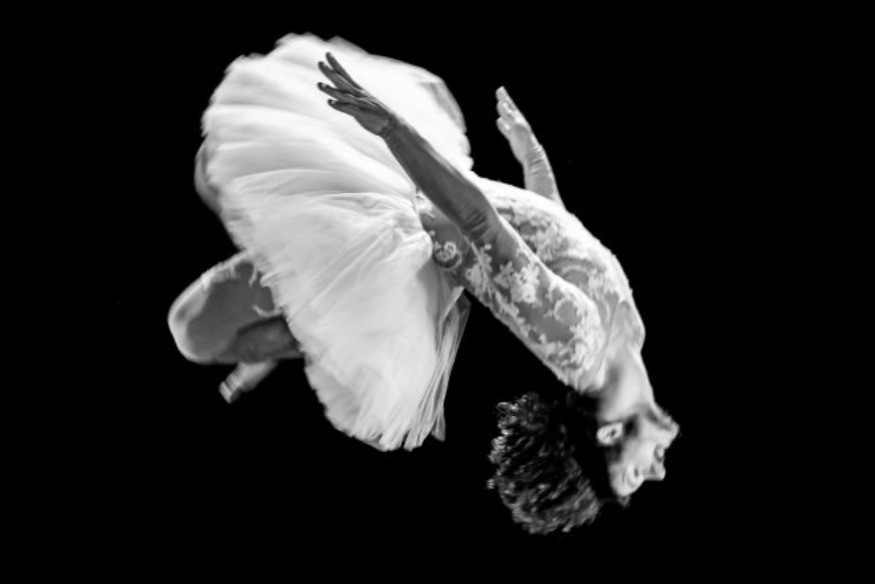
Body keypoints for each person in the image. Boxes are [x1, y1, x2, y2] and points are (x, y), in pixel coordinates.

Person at [168, 34, 680, 533]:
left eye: (637, 473)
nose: (658, 470)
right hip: (411, 201)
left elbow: (483, 227)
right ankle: (305, 327)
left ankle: (302, 327)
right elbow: (561, 242)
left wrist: (390, 127)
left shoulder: (577, 344)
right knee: (214, 174)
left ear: (609, 434)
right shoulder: (629, 336)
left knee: (191, 330)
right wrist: (534, 159)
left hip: (389, 238)